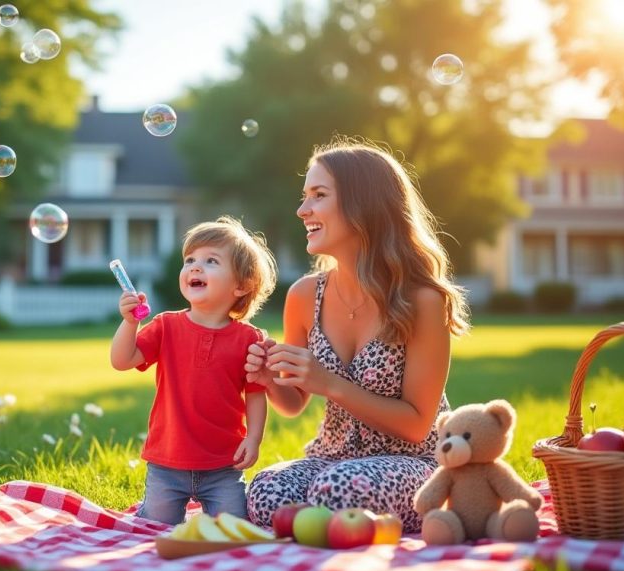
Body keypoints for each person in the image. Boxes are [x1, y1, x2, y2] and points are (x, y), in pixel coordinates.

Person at [243, 137, 470, 532]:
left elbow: (417, 424)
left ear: (361, 204)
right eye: (304, 196)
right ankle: (330, 525)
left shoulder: (423, 300)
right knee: (267, 492)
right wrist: (268, 379)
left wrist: (330, 383)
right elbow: (294, 401)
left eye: (318, 195)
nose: (302, 210)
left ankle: (328, 522)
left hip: (416, 463)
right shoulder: (304, 295)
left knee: (338, 491)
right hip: (331, 457)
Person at [111, 216, 278, 524]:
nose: (194, 267)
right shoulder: (166, 325)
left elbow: (256, 395)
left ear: (242, 285)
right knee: (155, 526)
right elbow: (122, 360)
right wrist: (130, 322)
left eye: (210, 261)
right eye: (189, 260)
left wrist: (253, 439)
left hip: (223, 465)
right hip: (167, 461)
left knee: (233, 527)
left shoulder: (249, 339)